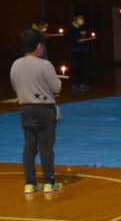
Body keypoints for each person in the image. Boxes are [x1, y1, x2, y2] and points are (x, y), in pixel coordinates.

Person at [10, 29, 63, 194]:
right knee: (46, 146)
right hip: (44, 109)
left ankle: (30, 183)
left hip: (25, 108)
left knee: (29, 146)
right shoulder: (45, 65)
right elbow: (57, 87)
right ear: (39, 46)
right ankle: (49, 182)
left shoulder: (16, 64)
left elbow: (14, 85)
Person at [64, 14, 93, 91]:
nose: (82, 21)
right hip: (75, 50)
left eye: (82, 19)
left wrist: (86, 35)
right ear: (76, 19)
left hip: (83, 50)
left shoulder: (83, 27)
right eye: (80, 19)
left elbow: (88, 33)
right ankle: (75, 84)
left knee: (83, 67)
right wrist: (77, 37)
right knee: (75, 67)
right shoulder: (71, 28)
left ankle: (83, 83)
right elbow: (68, 38)